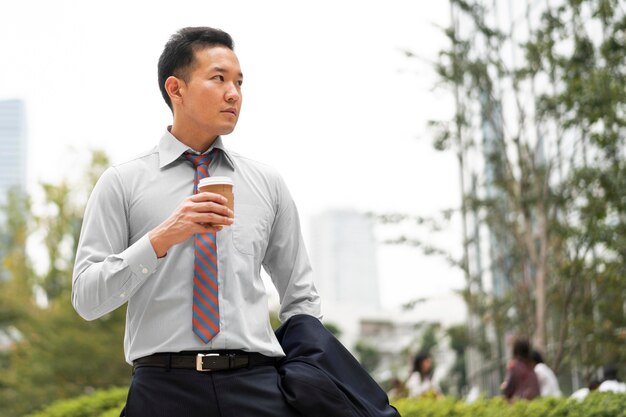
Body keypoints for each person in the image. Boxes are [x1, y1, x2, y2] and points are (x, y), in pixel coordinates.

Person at [72, 27, 322, 417]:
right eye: (218, 78)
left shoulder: (267, 184)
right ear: (176, 89)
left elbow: (301, 298)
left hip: (258, 389)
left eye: (239, 82)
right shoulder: (122, 182)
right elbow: (86, 299)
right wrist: (161, 238)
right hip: (161, 392)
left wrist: (301, 378)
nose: (234, 93)